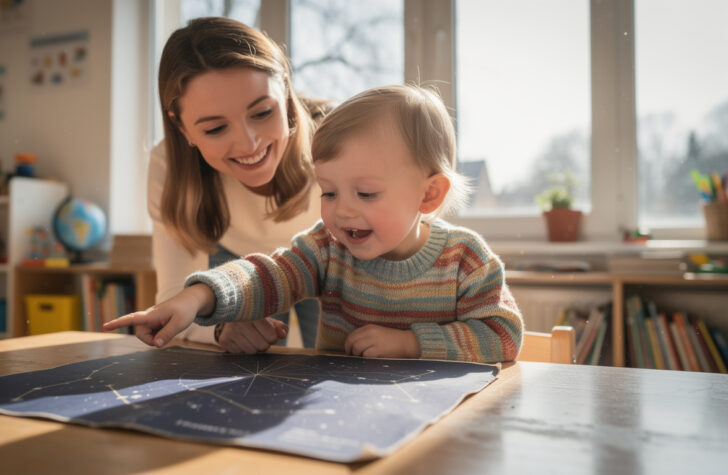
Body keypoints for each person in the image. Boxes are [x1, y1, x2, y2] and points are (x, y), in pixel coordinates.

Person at [108, 84, 524, 363]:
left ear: (429, 195)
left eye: (365, 194)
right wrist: (196, 298)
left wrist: (411, 344)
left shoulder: (466, 259)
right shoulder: (327, 247)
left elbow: (503, 335)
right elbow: (266, 275)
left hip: (442, 426)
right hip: (342, 414)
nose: (342, 211)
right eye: (328, 192)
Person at [147, 17, 329, 353]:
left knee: (342, 362)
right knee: (248, 362)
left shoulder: (340, 141)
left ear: (285, 91)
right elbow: (175, 301)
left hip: (330, 257)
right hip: (231, 259)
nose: (248, 145)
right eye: (215, 129)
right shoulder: (168, 166)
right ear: (182, 127)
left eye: (261, 112)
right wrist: (219, 328)